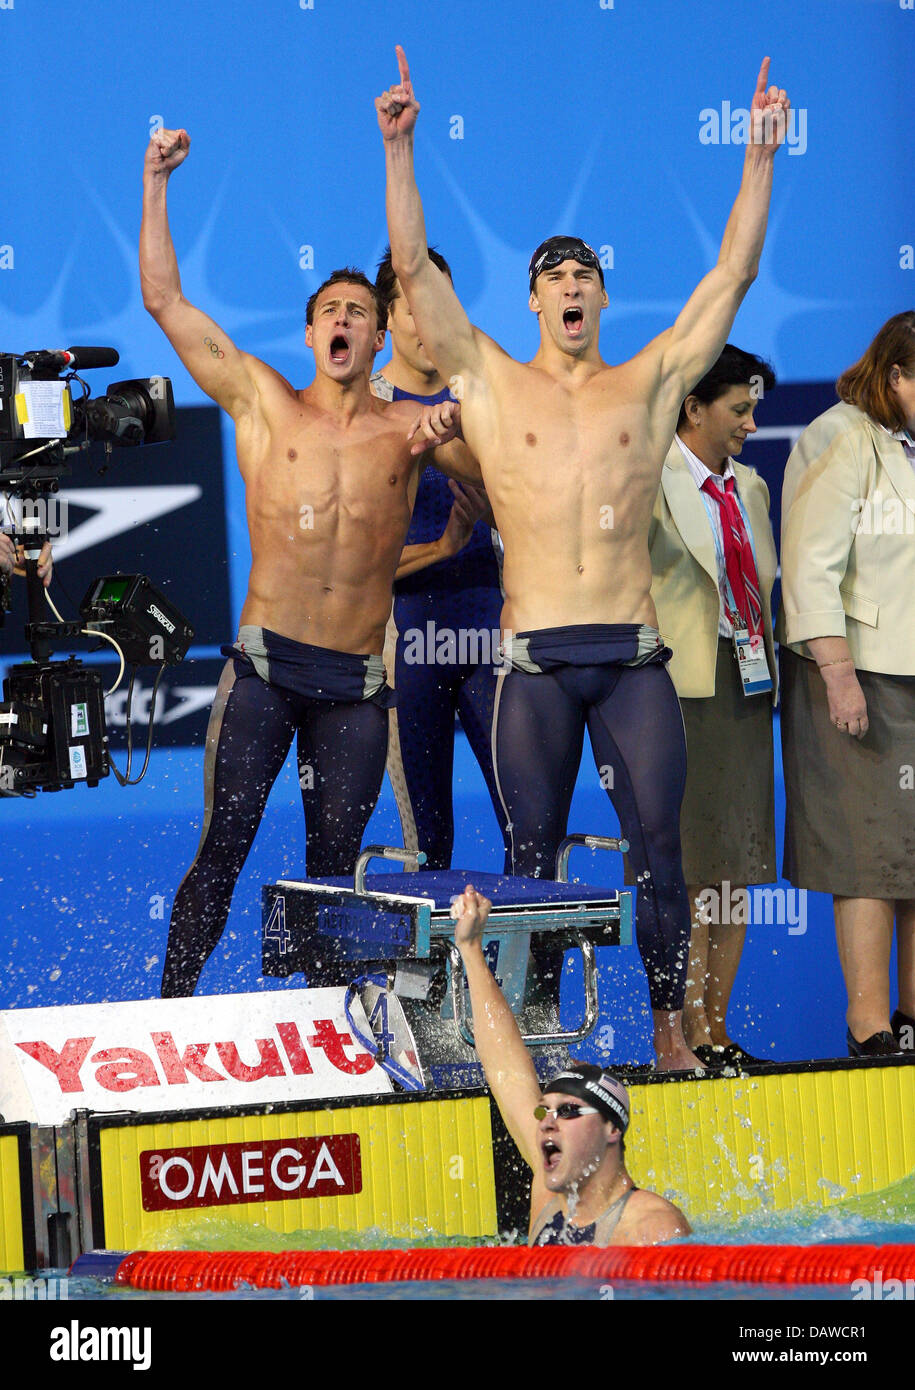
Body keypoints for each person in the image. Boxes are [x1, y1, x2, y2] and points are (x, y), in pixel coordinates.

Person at [376, 47, 789, 1070]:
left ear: (600, 300)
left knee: (661, 852)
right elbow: (417, 270)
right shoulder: (487, 381)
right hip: (536, 664)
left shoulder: (648, 386)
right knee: (530, 863)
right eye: (552, 277)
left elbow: (729, 276)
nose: (569, 286)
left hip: (635, 659)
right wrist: (398, 147)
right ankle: (539, 1045)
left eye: (584, 275)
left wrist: (760, 158)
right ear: (529, 304)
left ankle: (664, 1030)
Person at [140, 126, 475, 997]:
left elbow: (502, 476)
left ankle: (316, 1028)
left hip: (355, 688)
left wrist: (457, 429)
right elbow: (165, 300)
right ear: (309, 332)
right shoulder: (261, 401)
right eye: (329, 309)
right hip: (266, 668)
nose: (342, 320)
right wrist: (155, 183)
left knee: (332, 870)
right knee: (227, 843)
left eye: (359, 313)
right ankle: (171, 1011)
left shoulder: (410, 430)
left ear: (375, 342)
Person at [778, 310, 915, 1058]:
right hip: (857, 674)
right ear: (895, 376)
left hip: (912, 671)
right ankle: (868, 1026)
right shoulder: (840, 435)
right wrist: (837, 674)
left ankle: (913, 1022)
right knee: (867, 858)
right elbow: (807, 567)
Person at [647, 346, 778, 1068]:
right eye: (738, 409)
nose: (751, 424)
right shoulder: (650, 480)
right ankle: (686, 1028)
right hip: (677, 690)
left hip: (746, 688)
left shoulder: (751, 487)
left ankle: (718, 1030)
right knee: (693, 869)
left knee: (737, 869)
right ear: (692, 409)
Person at [451, 884, 691, 1245]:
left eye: (568, 1112)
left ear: (612, 1129)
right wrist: (470, 949)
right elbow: (507, 1071)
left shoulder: (651, 1228)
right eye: (545, 1111)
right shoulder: (551, 1201)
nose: (547, 1123)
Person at [371, 247, 508, 869]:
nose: (429, 319)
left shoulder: (489, 395)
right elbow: (352, 563)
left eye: (441, 302)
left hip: (491, 634)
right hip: (407, 642)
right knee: (423, 847)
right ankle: (425, 973)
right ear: (387, 319)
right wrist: (444, 546)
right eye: (414, 304)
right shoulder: (365, 409)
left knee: (527, 830)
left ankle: (520, 971)